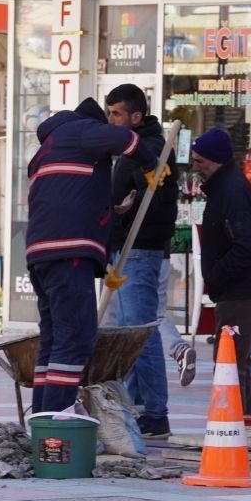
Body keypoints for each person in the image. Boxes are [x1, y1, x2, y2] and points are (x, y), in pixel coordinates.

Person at [26, 97, 162, 415]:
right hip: (68, 253)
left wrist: (112, 217)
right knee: (75, 339)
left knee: (54, 340)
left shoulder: (46, 150)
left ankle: (41, 421)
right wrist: (151, 164)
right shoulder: (82, 131)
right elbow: (125, 139)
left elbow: (71, 202)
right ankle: (57, 425)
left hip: (42, 255)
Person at [101, 84, 182, 439]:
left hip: (140, 252)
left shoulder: (150, 152)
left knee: (141, 335)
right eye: (109, 113)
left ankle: (154, 412)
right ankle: (135, 404)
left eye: (117, 113)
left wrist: (126, 215)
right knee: (128, 334)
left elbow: (157, 205)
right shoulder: (130, 149)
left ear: (136, 116)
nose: (111, 120)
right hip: (127, 250)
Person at [192, 127, 251, 415]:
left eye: (200, 161)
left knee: (230, 364)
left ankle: (234, 428)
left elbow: (247, 246)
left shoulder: (232, 191)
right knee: (234, 363)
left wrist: (216, 276)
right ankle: (240, 425)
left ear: (216, 160)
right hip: (234, 290)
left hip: (239, 291)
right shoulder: (224, 188)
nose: (195, 167)